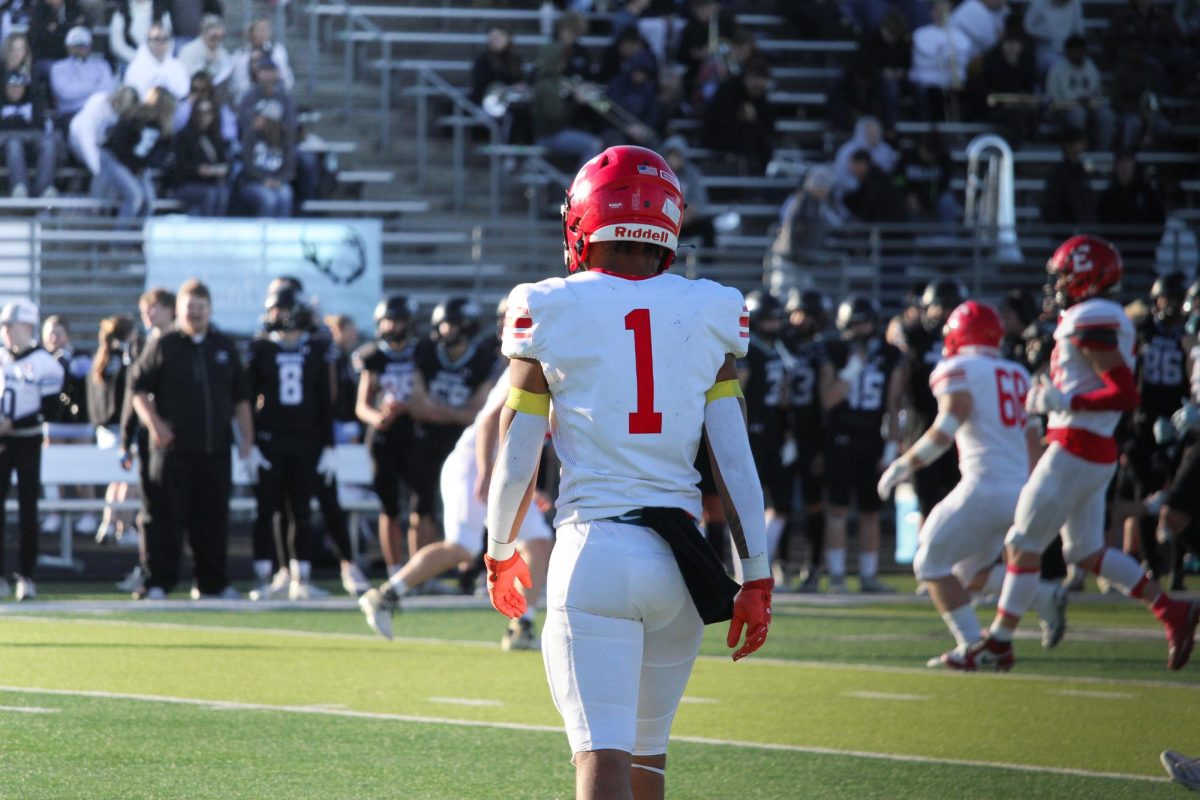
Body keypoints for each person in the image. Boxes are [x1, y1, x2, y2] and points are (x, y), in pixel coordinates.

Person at [463, 145, 772, 798]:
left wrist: (498, 551)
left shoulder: (548, 305)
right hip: (680, 563)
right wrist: (758, 578)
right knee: (646, 767)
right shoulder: (712, 307)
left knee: (599, 763)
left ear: (583, 219)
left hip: (594, 550)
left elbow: (518, 456)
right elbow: (734, 459)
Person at [945, 235, 1200, 671]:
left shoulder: (1092, 317)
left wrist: (1066, 403)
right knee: (1083, 551)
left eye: (1065, 274)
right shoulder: (1096, 316)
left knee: (1021, 542)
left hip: (1076, 445)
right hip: (1090, 447)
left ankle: (999, 643)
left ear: (1088, 275)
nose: (1059, 283)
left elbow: (1123, 393)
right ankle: (1171, 610)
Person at [878, 301, 1066, 663]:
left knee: (929, 564)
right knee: (969, 574)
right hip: (1020, 491)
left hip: (983, 485)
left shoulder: (957, 367)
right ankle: (1043, 597)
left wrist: (903, 464)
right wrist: (1037, 494)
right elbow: (1032, 441)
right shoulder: (1017, 372)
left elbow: (947, 427)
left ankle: (970, 646)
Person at [359, 359, 555, 648]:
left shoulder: (572, 372)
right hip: (475, 463)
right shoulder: (534, 362)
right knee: (463, 546)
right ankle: (385, 596)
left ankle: (522, 626)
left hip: (508, 469)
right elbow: (489, 419)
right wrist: (487, 473)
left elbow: (539, 441)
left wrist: (532, 485)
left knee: (538, 541)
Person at [129, 279, 257, 600]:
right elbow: (138, 390)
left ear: (210, 309)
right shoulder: (165, 344)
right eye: (190, 307)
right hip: (173, 450)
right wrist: (155, 424)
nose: (195, 313)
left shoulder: (223, 346)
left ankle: (212, 582)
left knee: (212, 519)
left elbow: (241, 397)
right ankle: (158, 581)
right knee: (165, 518)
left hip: (214, 449)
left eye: (201, 307)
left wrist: (247, 438)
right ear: (179, 310)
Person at [245, 287, 335, 601]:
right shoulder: (260, 348)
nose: (275, 316)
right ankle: (268, 576)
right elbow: (247, 400)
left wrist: (328, 446)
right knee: (268, 508)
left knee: (301, 510)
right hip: (270, 440)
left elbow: (325, 400)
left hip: (305, 440)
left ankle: (301, 577)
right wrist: (250, 443)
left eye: (280, 310)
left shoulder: (316, 348)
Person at [820, 295, 904, 593]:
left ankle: (868, 576)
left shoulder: (890, 354)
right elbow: (828, 400)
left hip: (872, 438)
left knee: (871, 511)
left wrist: (892, 448)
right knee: (839, 509)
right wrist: (851, 371)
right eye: (854, 323)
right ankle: (838, 576)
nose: (860, 329)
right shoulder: (834, 350)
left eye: (864, 322)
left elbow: (894, 405)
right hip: (841, 437)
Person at [406, 298, 495, 554]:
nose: (446, 331)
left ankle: (470, 571)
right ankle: (421, 570)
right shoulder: (426, 351)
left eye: (452, 325)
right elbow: (417, 406)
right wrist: (455, 413)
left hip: (463, 443)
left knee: (473, 506)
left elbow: (476, 413)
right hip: (427, 440)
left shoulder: (482, 358)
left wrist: (435, 411)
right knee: (420, 505)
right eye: (443, 325)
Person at [0, 299, 64, 600]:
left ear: (27, 326)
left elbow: (50, 411)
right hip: (1, 441)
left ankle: (26, 575)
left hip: (27, 440)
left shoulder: (45, 363)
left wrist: (13, 423)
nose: (6, 332)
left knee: (28, 508)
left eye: (10, 326)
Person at [116, 287, 174, 595]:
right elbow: (132, 395)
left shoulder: (180, 343)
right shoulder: (140, 343)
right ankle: (152, 571)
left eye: (156, 308)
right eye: (145, 310)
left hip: (175, 440)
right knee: (152, 509)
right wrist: (126, 438)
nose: (150, 315)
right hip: (147, 439)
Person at [355, 296, 419, 576]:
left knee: (421, 507)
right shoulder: (373, 356)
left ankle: (419, 571)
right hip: (384, 437)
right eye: (385, 321)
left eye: (394, 320)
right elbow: (362, 405)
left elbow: (424, 394)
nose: (389, 326)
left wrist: (411, 407)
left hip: (415, 434)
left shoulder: (420, 352)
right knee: (389, 507)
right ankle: (395, 569)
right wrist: (377, 417)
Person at [902, 279, 967, 520]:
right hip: (923, 423)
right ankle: (927, 556)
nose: (945, 313)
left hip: (960, 427)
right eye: (940, 306)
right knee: (927, 503)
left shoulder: (968, 337)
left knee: (958, 497)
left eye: (951, 306)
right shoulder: (913, 335)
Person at [739, 291, 790, 582]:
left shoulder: (778, 349)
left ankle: (763, 563)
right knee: (752, 503)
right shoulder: (748, 350)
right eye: (769, 320)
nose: (775, 325)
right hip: (752, 432)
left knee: (781, 503)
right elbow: (739, 394)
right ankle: (752, 568)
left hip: (774, 433)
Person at [783, 288, 830, 592]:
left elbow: (826, 399)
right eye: (798, 313)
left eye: (807, 315)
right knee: (782, 504)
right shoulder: (781, 345)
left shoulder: (825, 349)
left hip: (814, 433)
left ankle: (812, 567)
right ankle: (782, 565)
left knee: (814, 505)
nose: (800, 320)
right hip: (785, 431)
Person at [87, 315, 137, 545]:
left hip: (104, 431)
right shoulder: (122, 360)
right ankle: (124, 528)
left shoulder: (101, 358)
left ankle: (108, 523)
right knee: (129, 480)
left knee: (115, 481)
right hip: (119, 429)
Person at [98, 87, 174, 220]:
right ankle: (121, 239)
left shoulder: (162, 129)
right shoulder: (136, 117)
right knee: (135, 197)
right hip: (115, 159)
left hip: (136, 165)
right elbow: (119, 145)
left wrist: (140, 167)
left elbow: (156, 154)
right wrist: (134, 167)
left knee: (149, 201)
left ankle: (141, 237)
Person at [1045, 35, 1114, 151]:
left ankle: (1103, 151)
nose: (1078, 53)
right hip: (1065, 108)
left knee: (1107, 116)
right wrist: (1073, 102)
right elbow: (1052, 96)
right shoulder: (1057, 68)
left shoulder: (1091, 67)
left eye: (1080, 50)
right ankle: (1077, 152)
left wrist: (1090, 101)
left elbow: (1098, 93)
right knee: (1078, 114)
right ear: (1068, 51)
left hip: (1090, 106)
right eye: (1074, 50)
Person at [169, 93, 229, 216]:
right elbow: (178, 165)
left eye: (209, 112)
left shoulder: (215, 137)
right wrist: (198, 170)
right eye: (201, 113)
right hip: (186, 184)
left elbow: (225, 161)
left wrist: (222, 169)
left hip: (212, 183)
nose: (205, 117)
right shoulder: (183, 136)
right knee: (210, 194)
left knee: (223, 193)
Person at [0, 71, 56, 198]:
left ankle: (44, 188)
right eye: (12, 87)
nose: (16, 90)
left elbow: (40, 126)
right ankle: (20, 187)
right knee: (14, 143)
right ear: (5, 88)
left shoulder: (33, 101)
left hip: (32, 144)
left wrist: (12, 124)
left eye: (19, 87)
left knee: (48, 144)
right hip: (6, 149)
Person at [236, 99, 293, 217]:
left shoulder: (284, 138)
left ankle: (281, 231)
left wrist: (278, 179)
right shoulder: (250, 136)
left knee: (286, 194)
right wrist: (264, 179)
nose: (255, 119)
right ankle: (263, 233)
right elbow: (248, 165)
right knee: (268, 199)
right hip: (252, 182)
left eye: (259, 116)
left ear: (270, 120)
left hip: (277, 181)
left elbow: (289, 166)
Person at [49, 26, 114, 128]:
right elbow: (66, 94)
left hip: (99, 112)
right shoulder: (58, 68)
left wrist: (80, 87)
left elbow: (108, 90)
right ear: (68, 47)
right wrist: (94, 85)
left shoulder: (102, 65)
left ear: (90, 46)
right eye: (75, 45)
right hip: (71, 113)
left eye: (83, 45)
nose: (79, 49)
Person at [68, 85, 137, 179]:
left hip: (103, 144)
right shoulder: (98, 102)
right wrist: (97, 171)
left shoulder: (127, 114)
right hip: (79, 139)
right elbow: (86, 140)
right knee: (107, 165)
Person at [229, 17, 293, 103]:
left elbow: (285, 77)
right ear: (251, 33)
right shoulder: (240, 54)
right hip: (247, 97)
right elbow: (238, 81)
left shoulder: (278, 51)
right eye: (259, 30)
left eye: (266, 29)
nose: (263, 33)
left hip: (274, 97)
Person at [123, 22, 189, 100]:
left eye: (165, 39)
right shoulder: (136, 67)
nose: (161, 43)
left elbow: (183, 94)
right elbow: (134, 98)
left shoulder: (177, 66)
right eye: (156, 39)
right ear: (148, 42)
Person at [1023, 0, 1084, 74]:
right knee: (1056, 66)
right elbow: (1027, 26)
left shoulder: (1075, 3)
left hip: (1068, 51)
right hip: (1046, 51)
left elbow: (1079, 30)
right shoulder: (1037, 2)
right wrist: (1041, 35)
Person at [108, 0, 170, 69]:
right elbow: (117, 46)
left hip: (157, 60)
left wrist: (158, 58)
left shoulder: (161, 11)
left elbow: (169, 39)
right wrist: (139, 59)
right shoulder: (121, 12)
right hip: (130, 62)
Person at [177, 14, 232, 85]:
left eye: (219, 38)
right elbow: (187, 76)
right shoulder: (189, 51)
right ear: (203, 33)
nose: (216, 41)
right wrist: (208, 64)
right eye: (213, 37)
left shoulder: (223, 52)